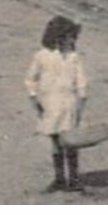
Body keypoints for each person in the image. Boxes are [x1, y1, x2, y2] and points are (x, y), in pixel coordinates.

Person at [26, 15, 90, 192]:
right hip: (50, 104)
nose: (73, 40)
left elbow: (81, 81)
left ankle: (74, 179)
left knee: (70, 142)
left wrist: (81, 102)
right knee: (55, 141)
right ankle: (59, 178)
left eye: (74, 37)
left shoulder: (74, 57)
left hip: (69, 104)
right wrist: (34, 98)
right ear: (58, 37)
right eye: (70, 37)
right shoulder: (41, 56)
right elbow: (31, 79)